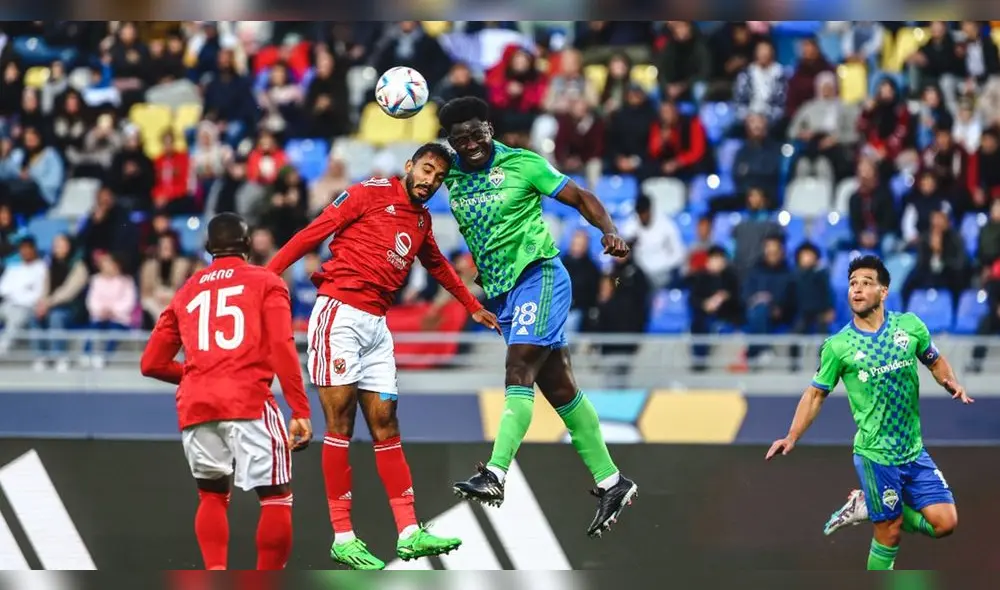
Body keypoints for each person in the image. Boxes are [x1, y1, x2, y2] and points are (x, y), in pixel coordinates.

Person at [265, 142, 499, 570]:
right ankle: (343, 536)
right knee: (340, 423)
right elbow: (314, 232)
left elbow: (440, 266)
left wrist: (471, 305)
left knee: (387, 422)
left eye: (440, 177)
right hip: (339, 313)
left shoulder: (423, 221)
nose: (431, 181)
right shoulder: (369, 191)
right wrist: (268, 275)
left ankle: (409, 532)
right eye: (427, 169)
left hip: (377, 325)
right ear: (410, 166)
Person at [437, 96, 638, 538]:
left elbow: (580, 196)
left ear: (489, 128)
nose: (470, 144)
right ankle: (612, 481)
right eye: (460, 138)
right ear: (450, 142)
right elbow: (411, 185)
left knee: (518, 366)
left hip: (540, 275)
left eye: (476, 133)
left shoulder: (524, 164)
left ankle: (496, 473)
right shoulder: (447, 171)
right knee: (560, 386)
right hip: (503, 295)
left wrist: (609, 231)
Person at [765, 255, 972, 570]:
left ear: (883, 292)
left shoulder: (909, 326)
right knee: (889, 533)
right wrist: (792, 435)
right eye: (852, 284)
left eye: (866, 283)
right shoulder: (838, 346)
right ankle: (876, 516)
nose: (857, 289)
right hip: (876, 455)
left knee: (946, 523)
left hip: (913, 451)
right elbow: (815, 394)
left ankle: (867, 505)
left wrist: (950, 381)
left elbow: (934, 360)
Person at [139, 212, 313, 571]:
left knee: (212, 495)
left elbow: (152, 363)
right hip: (248, 399)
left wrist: (199, 375)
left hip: (196, 405)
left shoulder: (186, 290)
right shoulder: (265, 281)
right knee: (276, 497)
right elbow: (282, 345)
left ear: (207, 249)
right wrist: (300, 409)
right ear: (249, 246)